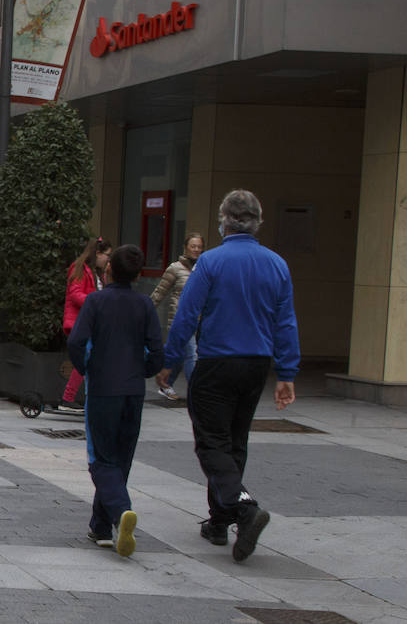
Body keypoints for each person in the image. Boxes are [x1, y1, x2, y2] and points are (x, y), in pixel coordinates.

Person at [157, 189, 298, 563]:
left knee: (210, 442)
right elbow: (285, 322)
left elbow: (187, 315)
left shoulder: (212, 262)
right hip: (256, 364)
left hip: (217, 360)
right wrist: (287, 372)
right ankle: (219, 520)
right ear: (258, 221)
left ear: (224, 220)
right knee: (234, 440)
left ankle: (243, 508)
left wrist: (169, 360)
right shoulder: (276, 264)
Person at [67, 245, 163, 558]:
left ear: (108, 271)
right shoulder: (145, 305)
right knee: (121, 457)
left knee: (101, 459)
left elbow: (76, 342)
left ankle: (121, 510)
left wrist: (87, 367)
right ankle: (101, 526)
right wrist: (144, 370)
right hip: (134, 390)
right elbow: (157, 351)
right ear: (138, 275)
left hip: (103, 388)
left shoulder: (96, 301)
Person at [58, 237, 112, 414]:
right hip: (80, 322)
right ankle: (68, 398)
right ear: (97, 253)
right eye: (107, 255)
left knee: (90, 360)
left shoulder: (98, 273)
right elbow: (75, 295)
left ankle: (79, 397)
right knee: (85, 360)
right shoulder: (80, 269)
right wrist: (97, 302)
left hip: (91, 323)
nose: (108, 259)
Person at [150, 233, 204, 400]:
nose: (196, 249)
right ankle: (196, 392)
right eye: (193, 246)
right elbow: (160, 292)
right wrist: (146, 310)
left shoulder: (203, 268)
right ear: (185, 248)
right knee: (191, 354)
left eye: (199, 247)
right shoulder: (175, 268)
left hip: (199, 321)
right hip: (179, 319)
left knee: (180, 357)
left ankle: (166, 384)